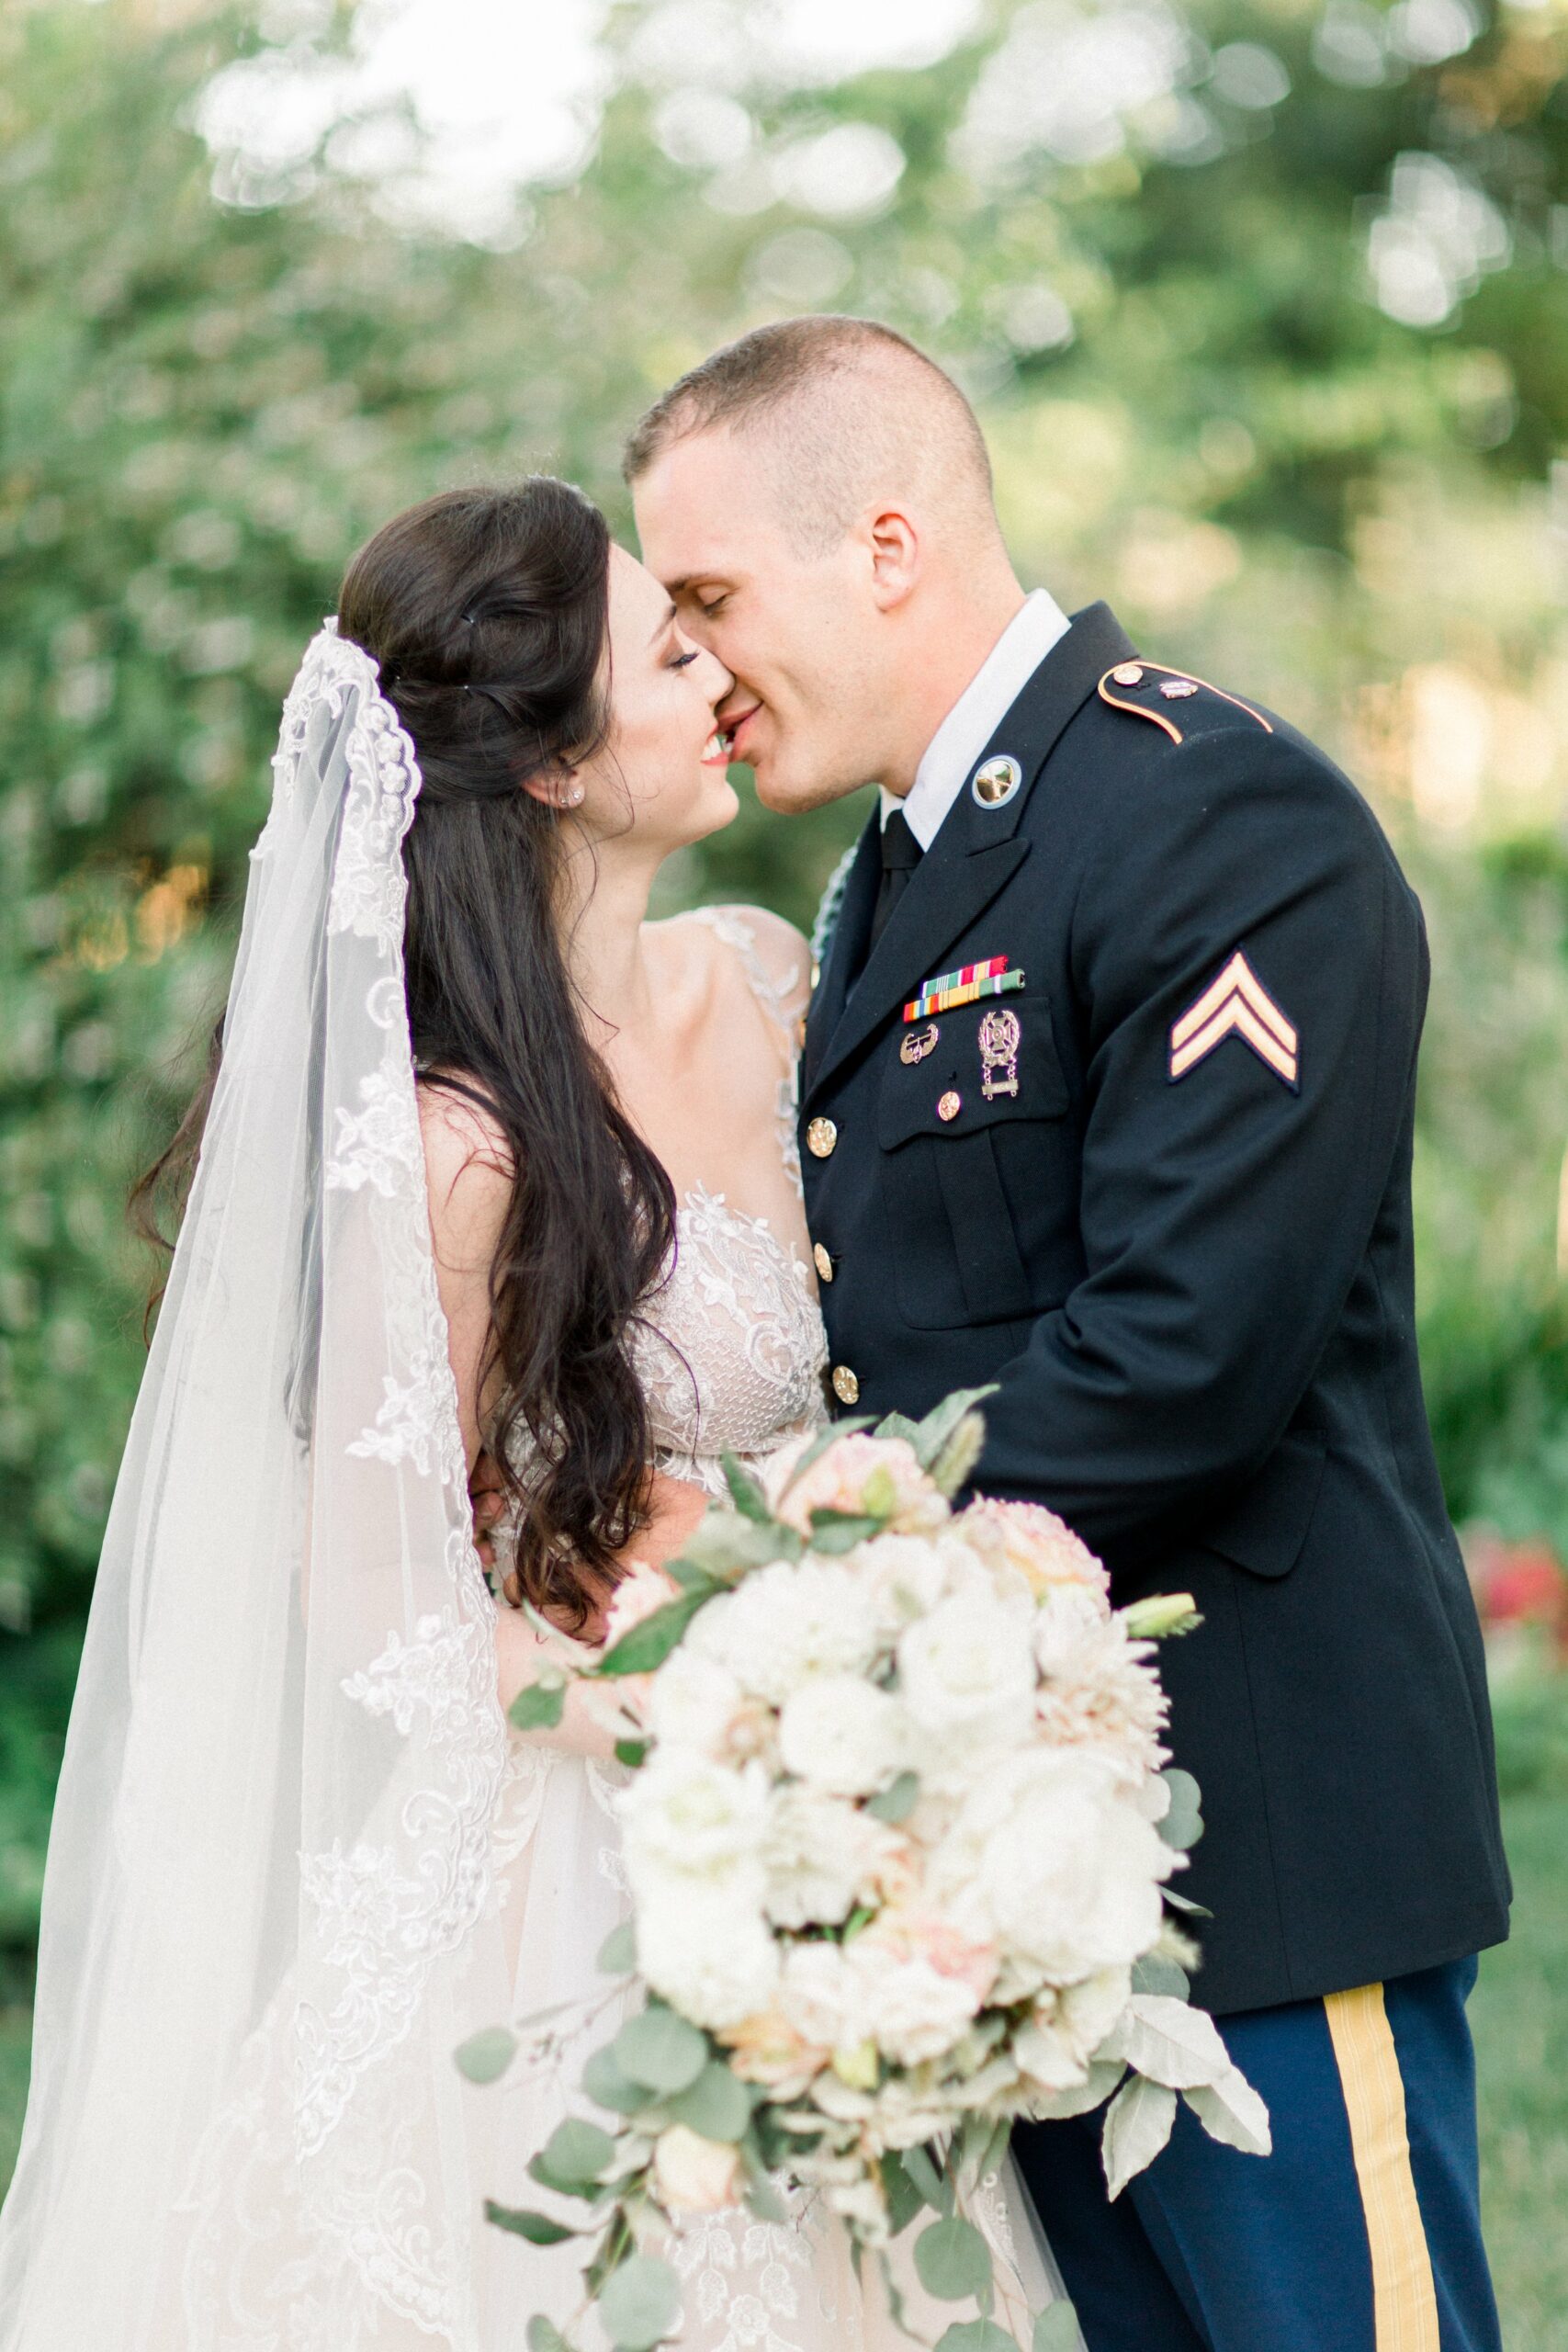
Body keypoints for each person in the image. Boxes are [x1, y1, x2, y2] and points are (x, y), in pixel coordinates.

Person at [0, 477, 1066, 2346]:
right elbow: (376, 1608)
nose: (723, 673)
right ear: (556, 767)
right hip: (572, 1869)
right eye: (669, 651)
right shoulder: (453, 1144)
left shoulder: (762, 973)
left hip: (818, 1816)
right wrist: (706, 1715)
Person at [627, 314, 1511, 2352]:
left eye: (706, 598)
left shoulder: (1215, 819)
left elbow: (1182, 1354)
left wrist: (795, 1566)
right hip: (1005, 1881)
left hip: (1262, 1852)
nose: (691, 662)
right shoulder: (887, 881)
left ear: (881, 542)